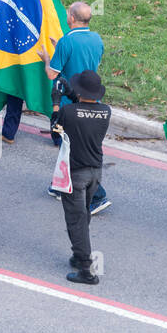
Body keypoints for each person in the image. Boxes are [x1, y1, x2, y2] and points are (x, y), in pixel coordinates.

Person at [41, 0, 110, 214]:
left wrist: (47, 58)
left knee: (74, 149)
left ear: (71, 17)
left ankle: (98, 196)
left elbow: (52, 73)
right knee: (69, 145)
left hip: (71, 103)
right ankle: (59, 185)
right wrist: (60, 49)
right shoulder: (96, 39)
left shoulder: (66, 42)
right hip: (92, 100)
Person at [54, 71, 112, 285]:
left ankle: (86, 269)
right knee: (83, 215)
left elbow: (55, 127)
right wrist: (72, 94)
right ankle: (78, 255)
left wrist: (56, 102)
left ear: (79, 90)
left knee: (76, 221)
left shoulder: (68, 112)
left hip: (75, 174)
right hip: (95, 173)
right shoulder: (106, 112)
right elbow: (85, 111)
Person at [0, 0, 57, 143]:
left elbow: (3, 11)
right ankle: (58, 137)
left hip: (18, 48)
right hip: (42, 51)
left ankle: (9, 133)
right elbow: (54, 20)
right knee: (51, 92)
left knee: (16, 89)